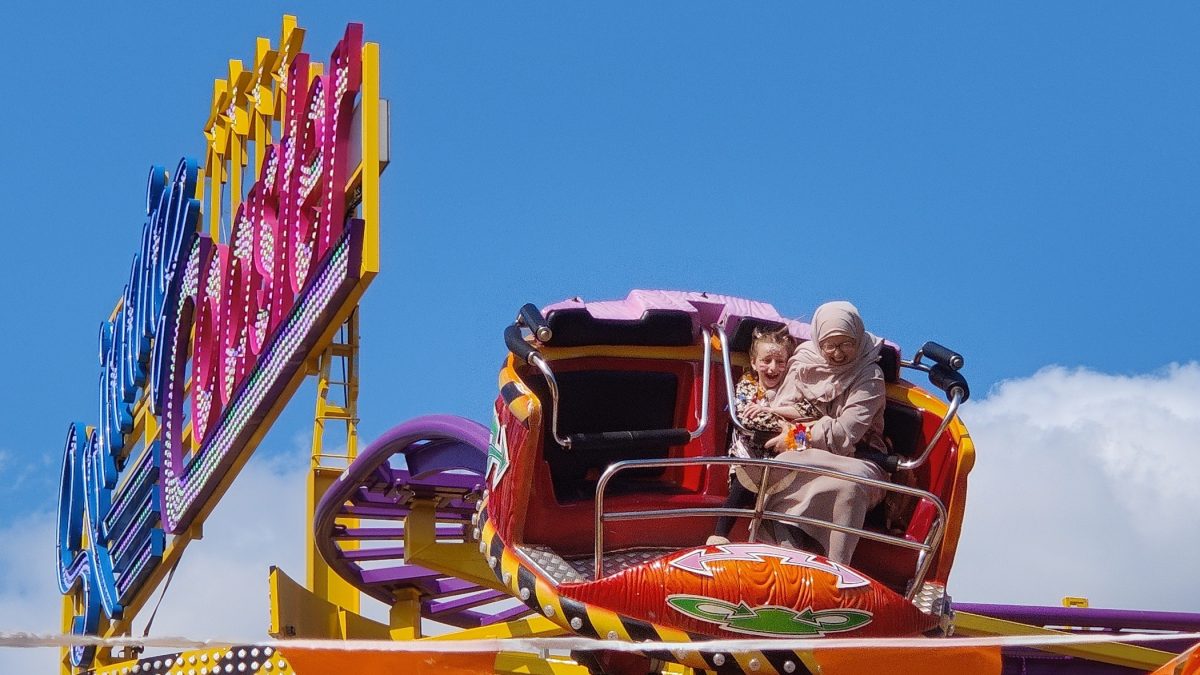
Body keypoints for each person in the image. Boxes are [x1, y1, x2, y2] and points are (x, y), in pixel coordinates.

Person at [761, 300, 890, 564]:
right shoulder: (803, 361)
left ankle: (836, 568)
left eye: (846, 344)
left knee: (849, 485)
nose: (838, 354)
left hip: (858, 459)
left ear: (858, 337)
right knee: (785, 464)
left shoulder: (870, 375)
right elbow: (781, 411)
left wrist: (798, 432)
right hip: (803, 450)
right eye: (830, 345)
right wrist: (797, 433)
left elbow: (844, 433)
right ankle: (783, 552)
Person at [707, 326, 819, 546]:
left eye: (780, 362)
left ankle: (791, 547)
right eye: (766, 360)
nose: (772, 368)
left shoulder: (794, 391)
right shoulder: (748, 386)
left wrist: (773, 413)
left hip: (786, 461)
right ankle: (719, 535)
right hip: (749, 457)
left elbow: (811, 419)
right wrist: (788, 427)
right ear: (754, 362)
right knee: (746, 481)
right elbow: (748, 420)